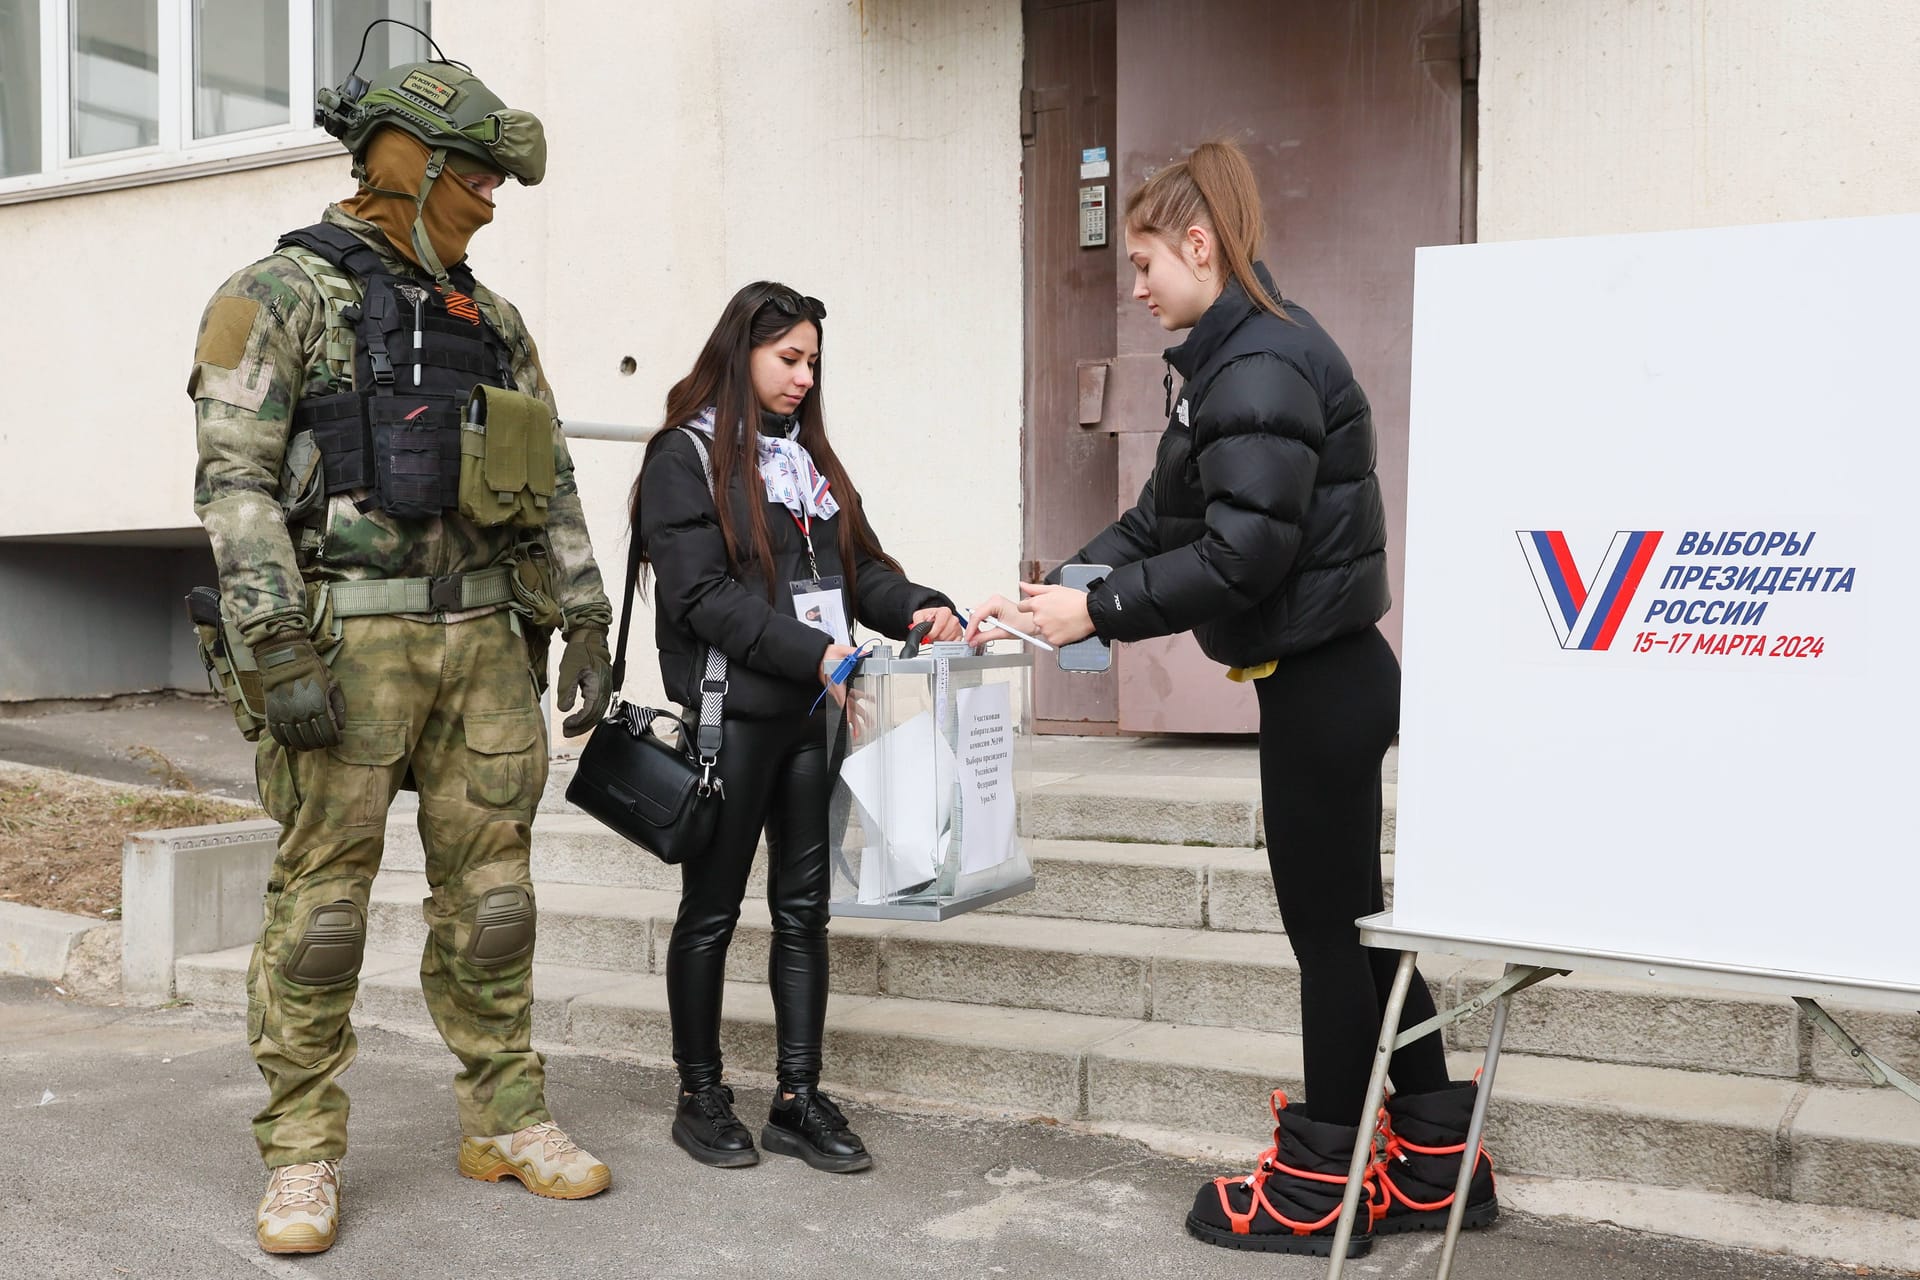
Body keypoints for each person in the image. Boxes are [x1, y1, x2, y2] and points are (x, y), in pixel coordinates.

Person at [966, 139, 1496, 1258]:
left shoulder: (1256, 368)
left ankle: (1323, 1187)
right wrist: (1052, 591)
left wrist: (1099, 616)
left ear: (1200, 245)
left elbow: (1241, 556)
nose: (1140, 284)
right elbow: (1165, 527)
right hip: (1325, 681)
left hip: (1323, 685)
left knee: (1329, 934)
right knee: (1357, 927)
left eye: (1148, 260)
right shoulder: (1235, 361)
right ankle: (1441, 1159)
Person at [189, 43, 615, 1256]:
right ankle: (302, 1153)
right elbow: (234, 484)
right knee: (322, 914)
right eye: (474, 177)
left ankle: (507, 1115)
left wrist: (581, 613)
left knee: (495, 903)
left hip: (484, 642)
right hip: (343, 648)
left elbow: (551, 479)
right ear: (404, 163)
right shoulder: (270, 295)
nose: (490, 201)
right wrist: (275, 645)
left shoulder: (493, 317)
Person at [634, 282, 961, 1174]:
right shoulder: (685, 457)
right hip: (733, 717)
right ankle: (699, 1093)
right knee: (709, 912)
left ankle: (797, 1096)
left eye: (813, 362)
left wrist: (920, 608)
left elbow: (861, 570)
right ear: (742, 352)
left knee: (803, 913)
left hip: (813, 718)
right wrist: (810, 652)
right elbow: (701, 597)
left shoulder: (802, 459)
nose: (805, 379)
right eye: (789, 359)